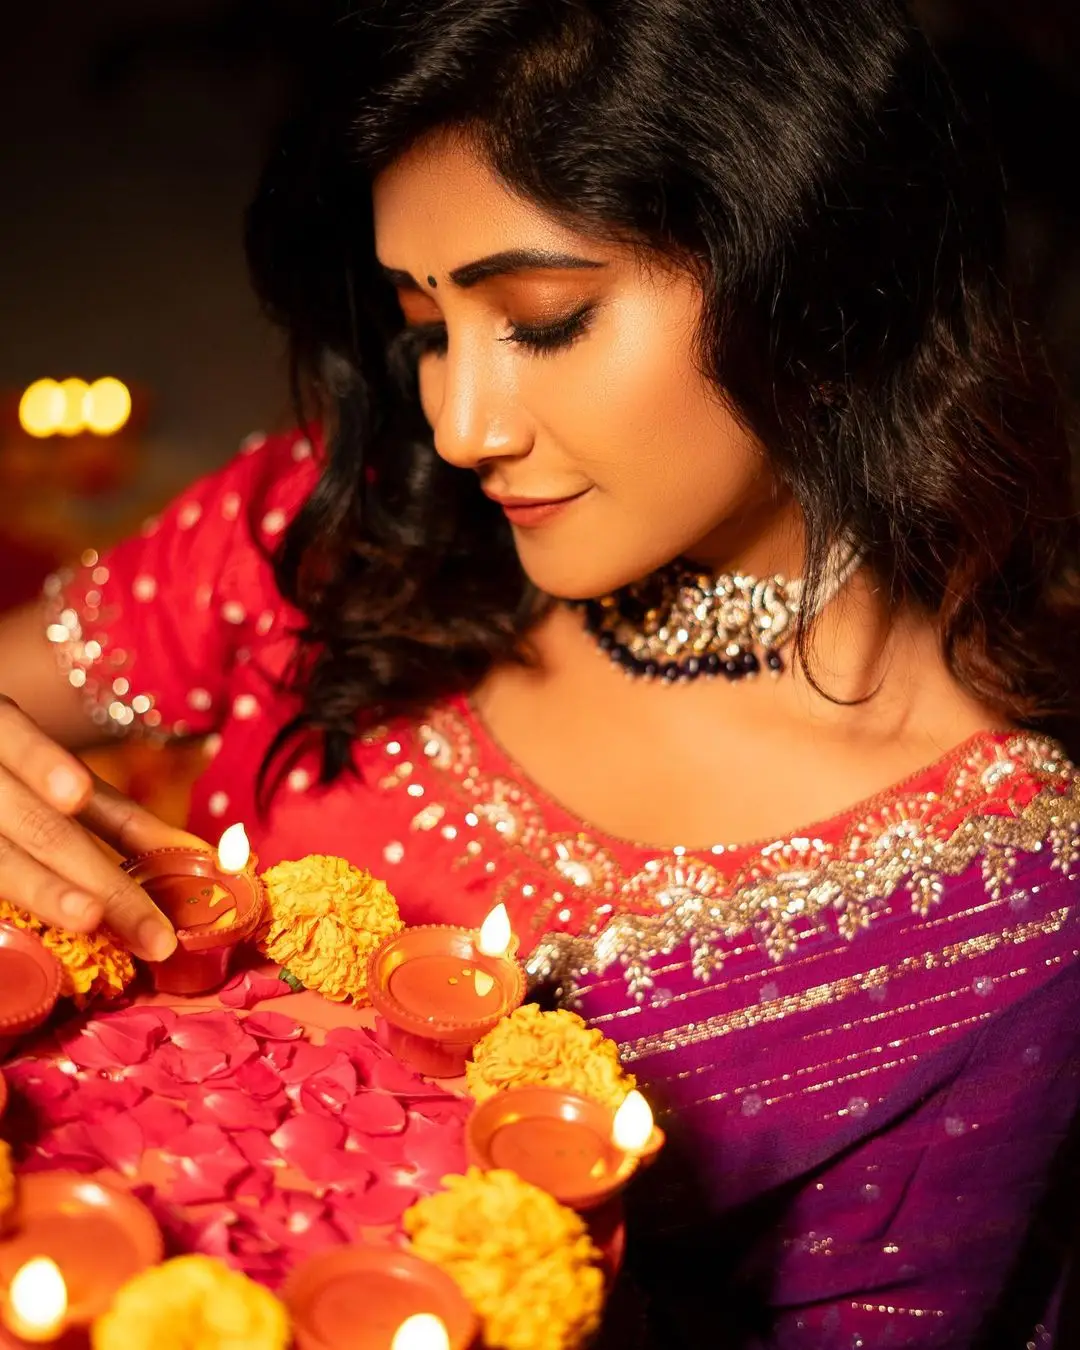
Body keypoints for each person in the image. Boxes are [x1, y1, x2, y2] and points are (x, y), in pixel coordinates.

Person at [1, 0, 1079, 1343]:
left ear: (813, 276)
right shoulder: (342, 535)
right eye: (426, 323)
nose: (458, 422)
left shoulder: (992, 904)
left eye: (545, 318)